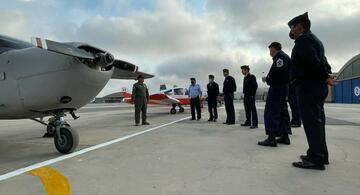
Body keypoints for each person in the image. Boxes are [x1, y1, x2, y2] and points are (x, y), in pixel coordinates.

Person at [288, 12, 335, 170]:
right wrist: (326, 76)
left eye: (292, 27)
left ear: (299, 26)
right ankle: (321, 154)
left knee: (311, 123)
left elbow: (313, 62)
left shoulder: (303, 40)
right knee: (318, 122)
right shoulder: (316, 41)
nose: (291, 31)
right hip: (317, 87)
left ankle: (315, 159)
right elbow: (324, 63)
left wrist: (324, 77)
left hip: (308, 87)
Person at [258, 42, 291, 147]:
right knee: (282, 112)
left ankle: (271, 138)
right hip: (283, 88)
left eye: (270, 50)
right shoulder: (283, 57)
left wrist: (267, 79)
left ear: (274, 49)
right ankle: (285, 136)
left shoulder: (280, 57)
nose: (269, 52)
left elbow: (279, 74)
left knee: (271, 111)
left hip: (277, 88)